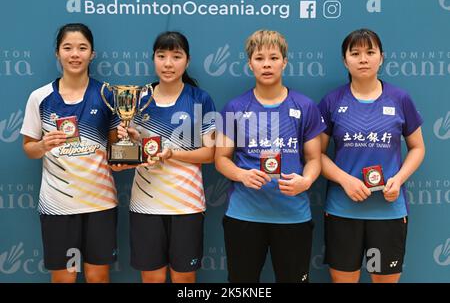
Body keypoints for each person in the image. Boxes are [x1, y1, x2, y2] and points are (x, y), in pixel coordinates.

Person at [215, 30, 325, 283]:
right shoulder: (235, 107)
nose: (266, 64)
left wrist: (306, 182)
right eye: (259, 58)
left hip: (293, 215)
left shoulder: (304, 106)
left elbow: (314, 159)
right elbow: (221, 158)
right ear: (249, 64)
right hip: (244, 215)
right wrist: (242, 174)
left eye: (274, 58)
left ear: (284, 62)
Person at [318, 28, 425, 283]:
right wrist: (345, 180)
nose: (363, 59)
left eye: (370, 52)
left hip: (388, 211)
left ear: (381, 57)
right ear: (345, 60)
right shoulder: (332, 101)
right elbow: (316, 155)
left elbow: (418, 148)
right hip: (343, 210)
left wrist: (398, 179)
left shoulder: (400, 99)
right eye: (355, 53)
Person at [20, 23, 119, 283]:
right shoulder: (39, 97)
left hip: (100, 203)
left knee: (98, 276)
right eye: (68, 48)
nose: (75, 54)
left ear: (92, 54)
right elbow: (29, 149)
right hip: (58, 205)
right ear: (57, 53)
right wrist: (42, 145)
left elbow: (115, 148)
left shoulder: (107, 94)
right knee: (64, 278)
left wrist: (125, 150)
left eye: (82, 48)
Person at [114, 31, 216, 283]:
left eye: (176, 56)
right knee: (152, 280)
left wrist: (172, 154)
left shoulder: (200, 99)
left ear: (187, 61)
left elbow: (211, 154)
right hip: (145, 205)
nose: (168, 63)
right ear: (153, 59)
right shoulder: (137, 99)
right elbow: (133, 152)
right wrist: (129, 141)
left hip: (186, 204)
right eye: (161, 56)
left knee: (184, 280)